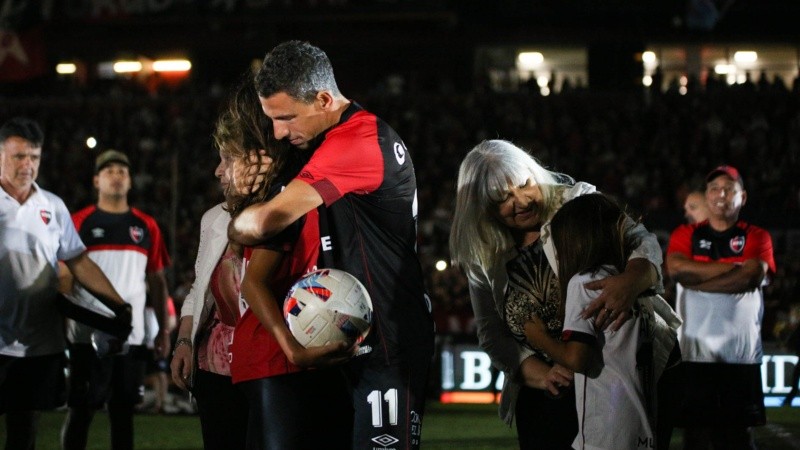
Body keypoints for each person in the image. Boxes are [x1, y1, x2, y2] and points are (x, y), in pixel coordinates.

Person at [228, 41, 435, 449]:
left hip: (387, 343)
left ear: (324, 100)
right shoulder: (337, 140)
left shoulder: (356, 140)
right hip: (351, 336)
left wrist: (238, 218)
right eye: (272, 120)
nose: (279, 132)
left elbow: (263, 223)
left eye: (286, 117)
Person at [448, 140, 665, 449]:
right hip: (545, 396)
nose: (522, 201)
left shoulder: (578, 201)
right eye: (504, 198)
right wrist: (543, 374)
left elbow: (644, 243)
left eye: (525, 184)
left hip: (617, 375)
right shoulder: (482, 251)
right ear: (481, 205)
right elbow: (492, 334)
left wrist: (630, 281)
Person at [0, 117, 130, 450]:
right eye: (19, 156)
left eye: (34, 157)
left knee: (24, 431)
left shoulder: (53, 206)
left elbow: (79, 261)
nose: (28, 165)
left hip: (38, 342)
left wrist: (118, 304)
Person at [524, 193, 680, 450]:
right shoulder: (633, 288)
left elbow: (577, 359)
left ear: (575, 242)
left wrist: (538, 337)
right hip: (642, 425)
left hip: (607, 428)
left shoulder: (585, 283)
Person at [60, 149, 172, 450]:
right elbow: (64, 276)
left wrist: (163, 330)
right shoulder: (78, 222)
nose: (117, 176)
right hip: (86, 335)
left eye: (122, 171)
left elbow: (157, 281)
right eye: (109, 171)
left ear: (131, 181)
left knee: (123, 415)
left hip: (132, 336)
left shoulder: (146, 225)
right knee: (81, 411)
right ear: (96, 180)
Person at [667, 165, 775, 449]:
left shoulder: (757, 236)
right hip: (695, 355)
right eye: (714, 189)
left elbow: (752, 276)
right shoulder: (685, 234)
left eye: (729, 189)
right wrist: (735, 270)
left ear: (743, 197)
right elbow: (676, 270)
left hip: (741, 357)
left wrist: (698, 280)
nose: (721, 194)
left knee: (739, 439)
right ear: (707, 195)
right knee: (696, 439)